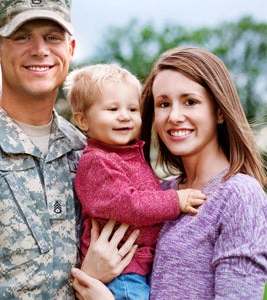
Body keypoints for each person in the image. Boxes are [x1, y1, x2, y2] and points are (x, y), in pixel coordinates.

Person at [0, 1, 138, 299]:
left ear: (70, 49)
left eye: (52, 37)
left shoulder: (84, 151)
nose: (40, 49)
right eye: (22, 36)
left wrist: (90, 277)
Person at [71, 46, 267, 300]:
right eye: (163, 104)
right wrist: (92, 274)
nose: (174, 116)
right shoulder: (162, 192)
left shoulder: (240, 195)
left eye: (190, 102)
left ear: (219, 111)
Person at [63, 63, 206, 299]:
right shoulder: (98, 162)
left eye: (132, 109)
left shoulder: (126, 155)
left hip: (136, 268)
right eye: (112, 109)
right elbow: (129, 204)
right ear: (83, 121)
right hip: (121, 274)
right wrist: (175, 200)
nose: (124, 117)